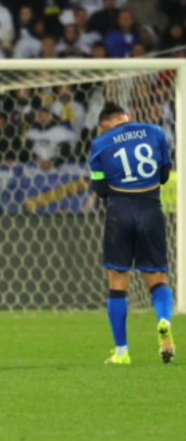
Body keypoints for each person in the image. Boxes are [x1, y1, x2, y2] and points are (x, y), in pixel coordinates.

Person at [89, 101, 176, 365]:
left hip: (120, 213)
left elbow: (100, 191)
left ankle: (122, 351)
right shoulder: (156, 132)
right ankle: (164, 320)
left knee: (118, 282)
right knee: (157, 278)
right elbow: (164, 175)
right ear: (127, 116)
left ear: (105, 123)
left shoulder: (100, 144)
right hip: (151, 210)